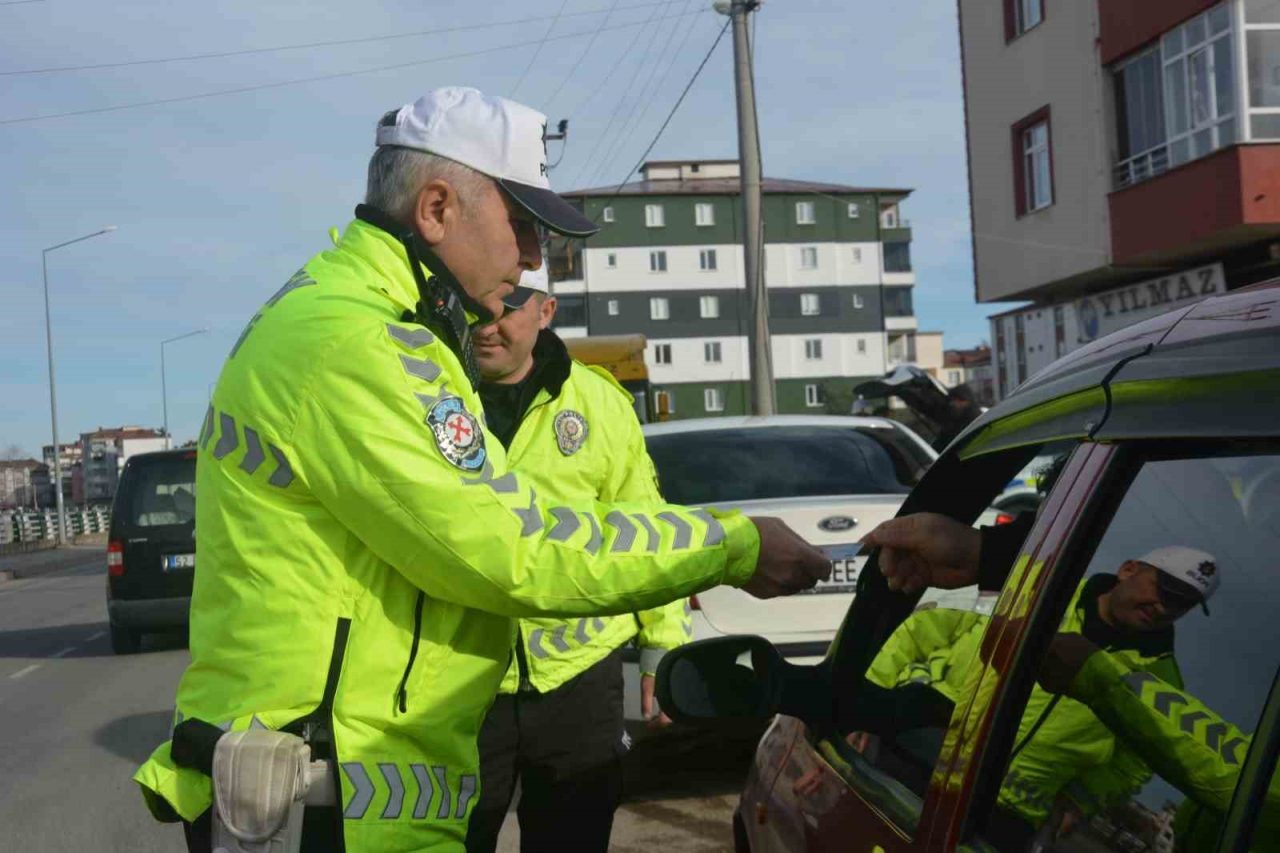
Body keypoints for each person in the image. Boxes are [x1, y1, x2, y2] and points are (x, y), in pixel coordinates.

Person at [132, 87, 829, 853]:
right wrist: (736, 545)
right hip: (323, 798)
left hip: (335, 783)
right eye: (522, 224)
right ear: (436, 210)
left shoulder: (345, 316)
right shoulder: (363, 342)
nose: (533, 256)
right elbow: (516, 551)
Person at [461, 266, 685, 852]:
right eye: (476, 304)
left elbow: (646, 528)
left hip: (579, 678)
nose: (488, 324)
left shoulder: (599, 405)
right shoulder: (427, 397)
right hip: (454, 679)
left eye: (507, 307)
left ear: (545, 311)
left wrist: (664, 650)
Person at [865, 545, 1216, 839]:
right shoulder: (1035, 590)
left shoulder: (1162, 681)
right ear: (1128, 569)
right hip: (912, 757)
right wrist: (869, 707)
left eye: (1181, 604)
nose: (1165, 608)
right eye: (1164, 590)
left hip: (1003, 818)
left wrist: (1081, 800)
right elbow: (923, 628)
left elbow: (1137, 762)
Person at [1039, 634, 1280, 851]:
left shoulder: (1164, 670)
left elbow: (1242, 777)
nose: (1164, 606)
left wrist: (1101, 676)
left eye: (1185, 600)